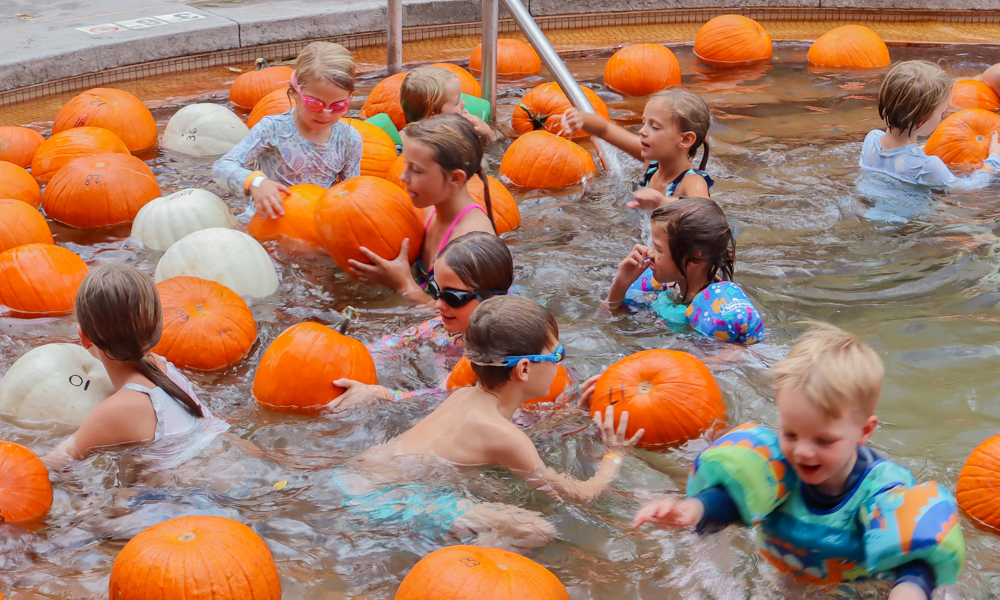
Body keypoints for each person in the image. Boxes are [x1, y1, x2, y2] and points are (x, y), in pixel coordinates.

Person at [632, 322, 965, 600]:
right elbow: (729, 500)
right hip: (791, 577)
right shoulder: (776, 466)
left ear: (864, 431)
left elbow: (915, 563)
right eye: (791, 434)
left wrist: (907, 593)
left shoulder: (881, 490)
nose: (803, 451)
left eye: (823, 440)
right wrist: (691, 510)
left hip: (863, 586)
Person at [328, 296, 642, 549]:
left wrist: (571, 414)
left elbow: (498, 445)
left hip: (355, 475)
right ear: (523, 370)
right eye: (556, 354)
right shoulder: (502, 435)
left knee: (499, 497)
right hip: (381, 501)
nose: (561, 362)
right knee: (534, 528)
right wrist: (614, 455)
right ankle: (466, 571)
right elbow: (578, 494)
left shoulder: (463, 396)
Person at [43, 265, 227, 470]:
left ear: (84, 338)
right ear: (158, 325)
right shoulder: (164, 368)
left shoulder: (117, 410)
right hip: (223, 456)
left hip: (183, 494)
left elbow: (60, 460)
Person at [337, 232, 512, 403]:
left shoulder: (497, 358)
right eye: (435, 291)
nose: (438, 305)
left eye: (452, 297)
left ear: (492, 301)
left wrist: (382, 394)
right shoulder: (441, 327)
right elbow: (396, 343)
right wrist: (346, 356)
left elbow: (446, 399)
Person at [348, 113, 497, 305]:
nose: (402, 176)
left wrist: (403, 286)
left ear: (455, 178)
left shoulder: (471, 242)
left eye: (416, 170)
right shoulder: (427, 211)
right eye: (405, 164)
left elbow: (468, 319)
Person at [213, 41, 363, 219]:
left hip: (314, 226)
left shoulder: (348, 140)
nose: (325, 113)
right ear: (294, 92)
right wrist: (255, 182)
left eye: (338, 106)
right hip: (266, 224)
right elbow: (221, 167)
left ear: (349, 98)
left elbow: (351, 195)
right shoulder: (273, 129)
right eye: (314, 103)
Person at [605, 196, 763, 345]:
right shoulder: (667, 288)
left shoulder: (714, 310)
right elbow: (606, 319)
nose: (650, 253)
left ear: (695, 258)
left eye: (659, 249)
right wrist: (621, 284)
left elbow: (737, 356)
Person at [562, 87, 714, 211]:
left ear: (685, 139)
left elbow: (704, 209)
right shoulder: (653, 162)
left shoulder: (692, 181)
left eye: (654, 127)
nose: (642, 131)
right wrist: (582, 119)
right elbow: (606, 130)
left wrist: (663, 202)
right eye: (643, 123)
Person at [860, 60, 1000, 190]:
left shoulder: (871, 139)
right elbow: (969, 187)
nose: (943, 117)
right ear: (921, 121)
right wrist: (993, 160)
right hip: (903, 216)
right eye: (941, 113)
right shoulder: (928, 166)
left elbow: (898, 158)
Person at [400, 65, 494, 139]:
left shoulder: (460, 129)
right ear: (434, 117)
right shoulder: (406, 141)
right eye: (457, 102)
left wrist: (488, 132)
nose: (464, 104)